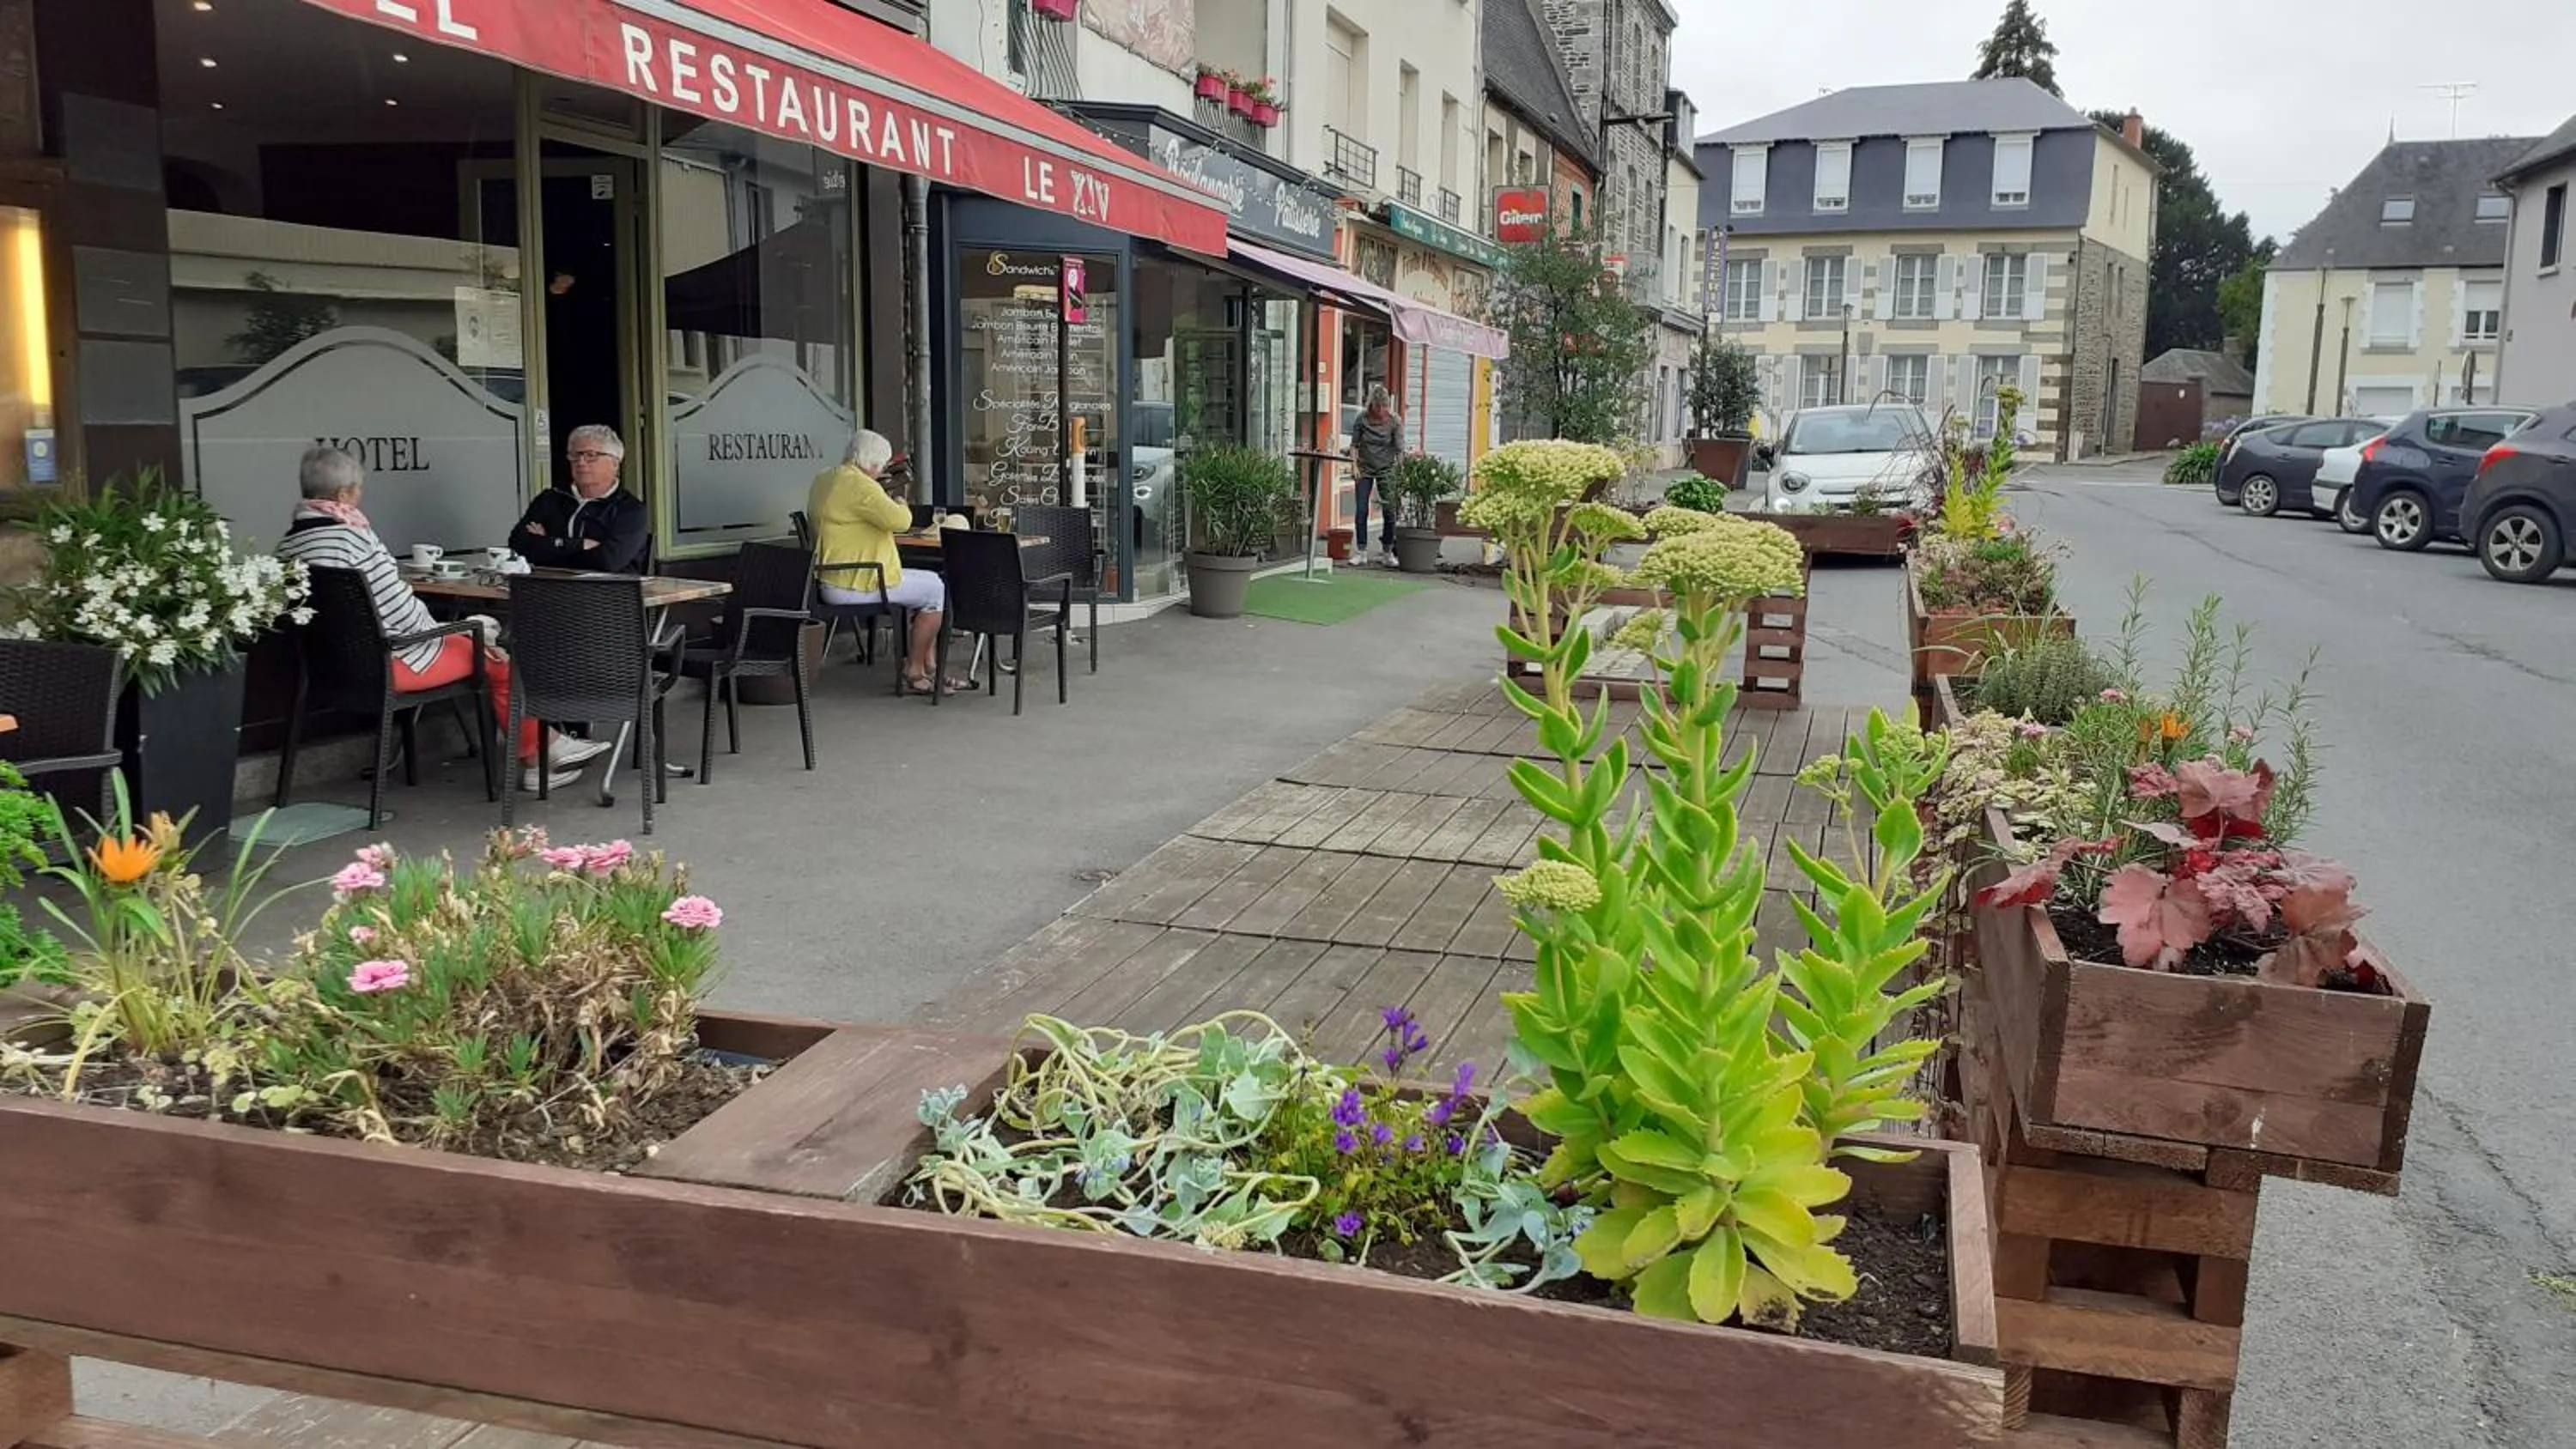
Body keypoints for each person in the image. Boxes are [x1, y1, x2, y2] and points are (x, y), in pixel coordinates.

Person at [277, 446, 610, 792]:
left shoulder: (288, 545)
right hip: (390, 665)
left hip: (328, 670)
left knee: (478, 641)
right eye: (359, 489)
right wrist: (450, 631)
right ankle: (539, 758)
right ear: (345, 494)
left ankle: (547, 746)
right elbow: (402, 614)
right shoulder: (354, 539)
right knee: (498, 659)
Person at [809, 429, 972, 696]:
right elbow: (901, 522)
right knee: (937, 590)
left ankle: (930, 665)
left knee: (932, 583)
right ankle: (916, 670)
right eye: (882, 465)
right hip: (856, 581)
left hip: (831, 575)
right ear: (873, 464)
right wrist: (899, 500)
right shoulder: (861, 486)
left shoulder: (826, 477)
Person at [513, 425, 650, 573]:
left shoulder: (629, 510)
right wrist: (579, 545)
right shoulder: (550, 498)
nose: (581, 462)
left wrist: (548, 544)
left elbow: (608, 562)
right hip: (549, 590)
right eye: (575, 455)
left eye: (591, 455)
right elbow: (518, 545)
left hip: (607, 593)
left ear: (615, 463)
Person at [1350, 385, 1405, 564]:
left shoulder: (1395, 421)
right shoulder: (1362, 419)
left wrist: (1402, 472)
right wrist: (1354, 467)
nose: (1381, 411)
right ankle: (1361, 551)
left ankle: (1388, 551)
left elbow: (1399, 450)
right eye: (1378, 407)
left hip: (1386, 468)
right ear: (1372, 405)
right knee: (1361, 510)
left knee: (1390, 511)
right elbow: (1354, 446)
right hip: (1365, 468)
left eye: (1384, 407)